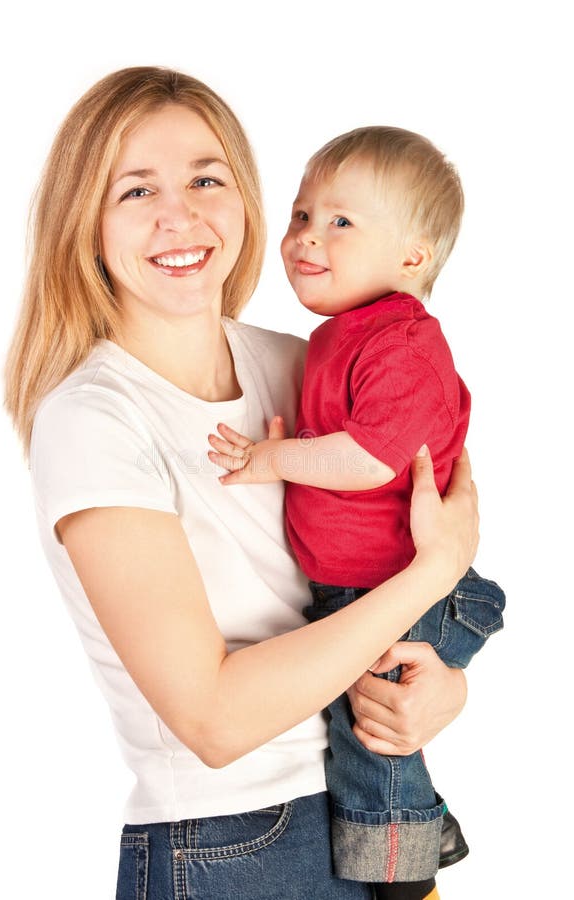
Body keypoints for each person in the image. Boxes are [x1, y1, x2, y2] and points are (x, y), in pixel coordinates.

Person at [4, 68, 479, 900]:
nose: (178, 214)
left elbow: (416, 531)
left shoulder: (299, 365)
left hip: (364, 813)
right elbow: (214, 721)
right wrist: (431, 578)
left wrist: (442, 684)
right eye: (136, 189)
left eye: (206, 179)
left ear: (246, 199)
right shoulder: (92, 420)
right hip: (230, 846)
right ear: (86, 222)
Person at [208, 127, 505, 898]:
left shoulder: (401, 344)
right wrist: (295, 456)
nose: (308, 236)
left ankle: (408, 883)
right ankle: (418, 838)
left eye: (341, 221)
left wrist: (273, 460)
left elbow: (371, 459)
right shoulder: (336, 338)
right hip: (369, 593)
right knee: (370, 734)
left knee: (370, 739)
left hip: (402, 592)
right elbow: (346, 455)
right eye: (303, 215)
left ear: (413, 257)